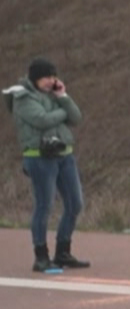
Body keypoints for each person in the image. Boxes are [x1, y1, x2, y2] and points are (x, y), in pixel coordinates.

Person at [9, 57, 90, 272]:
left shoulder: (55, 95)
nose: (50, 81)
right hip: (39, 157)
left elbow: (76, 117)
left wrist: (63, 96)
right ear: (35, 77)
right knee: (44, 206)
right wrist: (61, 111)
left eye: (53, 76)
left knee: (75, 203)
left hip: (64, 154)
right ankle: (41, 255)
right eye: (46, 77)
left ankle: (63, 251)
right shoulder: (22, 97)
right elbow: (42, 120)